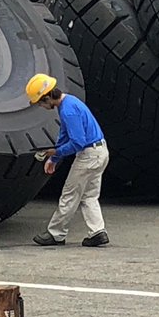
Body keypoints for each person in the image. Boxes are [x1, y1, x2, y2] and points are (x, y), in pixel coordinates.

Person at [26, 73, 110, 247]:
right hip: (100, 151)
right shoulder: (70, 102)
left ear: (48, 96)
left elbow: (77, 143)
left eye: (41, 102)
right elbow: (64, 135)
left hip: (88, 155)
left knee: (69, 195)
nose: (41, 106)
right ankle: (97, 232)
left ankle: (56, 234)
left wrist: (55, 152)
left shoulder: (68, 111)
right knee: (89, 196)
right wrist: (54, 158)